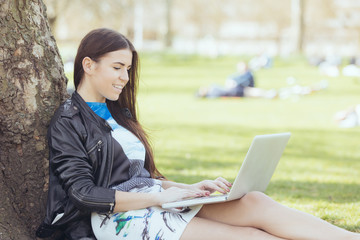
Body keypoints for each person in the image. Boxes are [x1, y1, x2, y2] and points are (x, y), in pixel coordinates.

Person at [36, 28, 360, 240]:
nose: (124, 77)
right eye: (117, 67)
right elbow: (84, 194)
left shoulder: (119, 113)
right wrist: (160, 198)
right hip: (109, 221)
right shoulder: (69, 120)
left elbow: (137, 176)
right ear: (88, 65)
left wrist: (185, 188)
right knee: (254, 237)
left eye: (128, 69)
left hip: (151, 201)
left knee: (255, 202)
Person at [196, 61, 277, 99]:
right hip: (238, 91)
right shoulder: (213, 93)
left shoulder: (213, 87)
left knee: (254, 91)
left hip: (239, 89)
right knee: (254, 92)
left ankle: (270, 94)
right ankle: (270, 95)